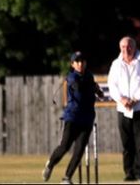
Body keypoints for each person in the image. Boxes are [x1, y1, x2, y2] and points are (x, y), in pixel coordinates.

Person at [43, 51, 105, 184]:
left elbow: (96, 91)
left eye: (82, 61)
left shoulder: (89, 76)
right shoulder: (72, 77)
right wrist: (94, 87)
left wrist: (99, 92)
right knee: (64, 147)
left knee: (79, 150)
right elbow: (80, 89)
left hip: (87, 118)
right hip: (72, 117)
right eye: (77, 61)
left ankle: (67, 178)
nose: (80, 64)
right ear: (72, 64)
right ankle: (50, 164)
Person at [107, 36, 140, 182]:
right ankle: (129, 173)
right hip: (123, 109)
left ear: (134, 47)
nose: (126, 49)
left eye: (128, 47)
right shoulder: (116, 64)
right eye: (123, 47)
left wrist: (135, 99)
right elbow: (112, 85)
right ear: (119, 48)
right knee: (127, 144)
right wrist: (122, 100)